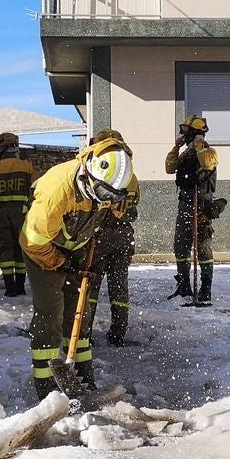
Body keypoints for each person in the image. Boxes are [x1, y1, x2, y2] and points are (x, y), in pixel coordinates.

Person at [20, 138, 135, 398]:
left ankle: (83, 375)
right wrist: (61, 265)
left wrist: (83, 259)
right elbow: (33, 241)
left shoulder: (109, 183)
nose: (107, 201)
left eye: (112, 197)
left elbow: (107, 217)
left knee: (80, 311)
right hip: (42, 248)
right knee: (51, 312)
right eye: (104, 195)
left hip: (76, 245)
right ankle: (47, 386)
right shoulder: (56, 191)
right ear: (88, 176)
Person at [86, 129, 140, 346]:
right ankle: (118, 332)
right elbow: (133, 208)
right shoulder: (131, 177)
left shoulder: (103, 173)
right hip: (124, 236)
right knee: (119, 286)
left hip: (100, 237)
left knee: (91, 285)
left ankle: (84, 332)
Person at [165, 116, 218, 302]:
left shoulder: (209, 151)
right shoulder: (186, 153)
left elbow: (208, 164)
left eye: (186, 131)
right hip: (185, 204)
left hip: (201, 206)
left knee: (202, 248)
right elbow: (169, 168)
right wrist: (176, 148)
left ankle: (205, 287)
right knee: (180, 245)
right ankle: (184, 285)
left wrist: (200, 147)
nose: (183, 134)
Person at [0, 132, 38, 296]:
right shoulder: (27, 168)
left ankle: (10, 288)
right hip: (23, 213)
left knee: (5, 250)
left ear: (1, 148)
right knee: (21, 249)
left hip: (2, 214)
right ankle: (20, 286)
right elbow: (36, 192)